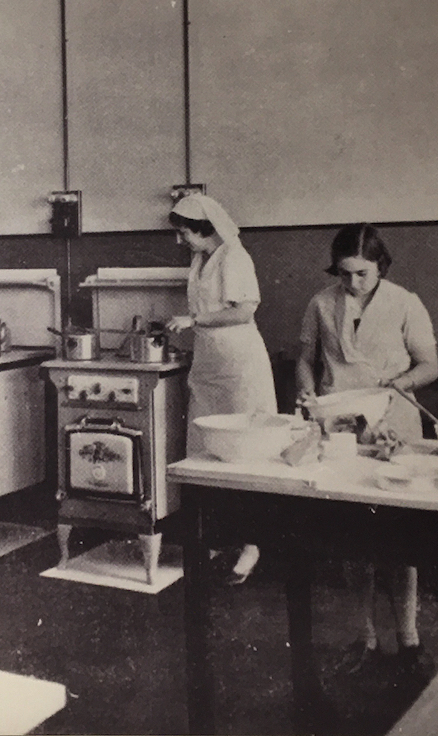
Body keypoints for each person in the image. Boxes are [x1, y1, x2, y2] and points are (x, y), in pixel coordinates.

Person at [295, 223, 438, 676]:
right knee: (352, 541)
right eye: (344, 274)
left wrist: (403, 382)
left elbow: (428, 364)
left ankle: (410, 640)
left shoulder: (405, 303)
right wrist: (306, 395)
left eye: (362, 273)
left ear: (381, 266)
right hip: (340, 425)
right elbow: (305, 359)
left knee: (401, 541)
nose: (352, 282)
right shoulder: (321, 303)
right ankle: (366, 638)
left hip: (394, 421)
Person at [166, 193, 276, 585]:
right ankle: (213, 536)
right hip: (210, 364)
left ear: (204, 227)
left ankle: (252, 545)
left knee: (243, 455)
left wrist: (193, 319)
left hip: (240, 366)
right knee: (204, 449)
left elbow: (244, 310)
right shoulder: (200, 260)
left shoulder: (235, 256)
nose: (181, 242)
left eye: (185, 234)